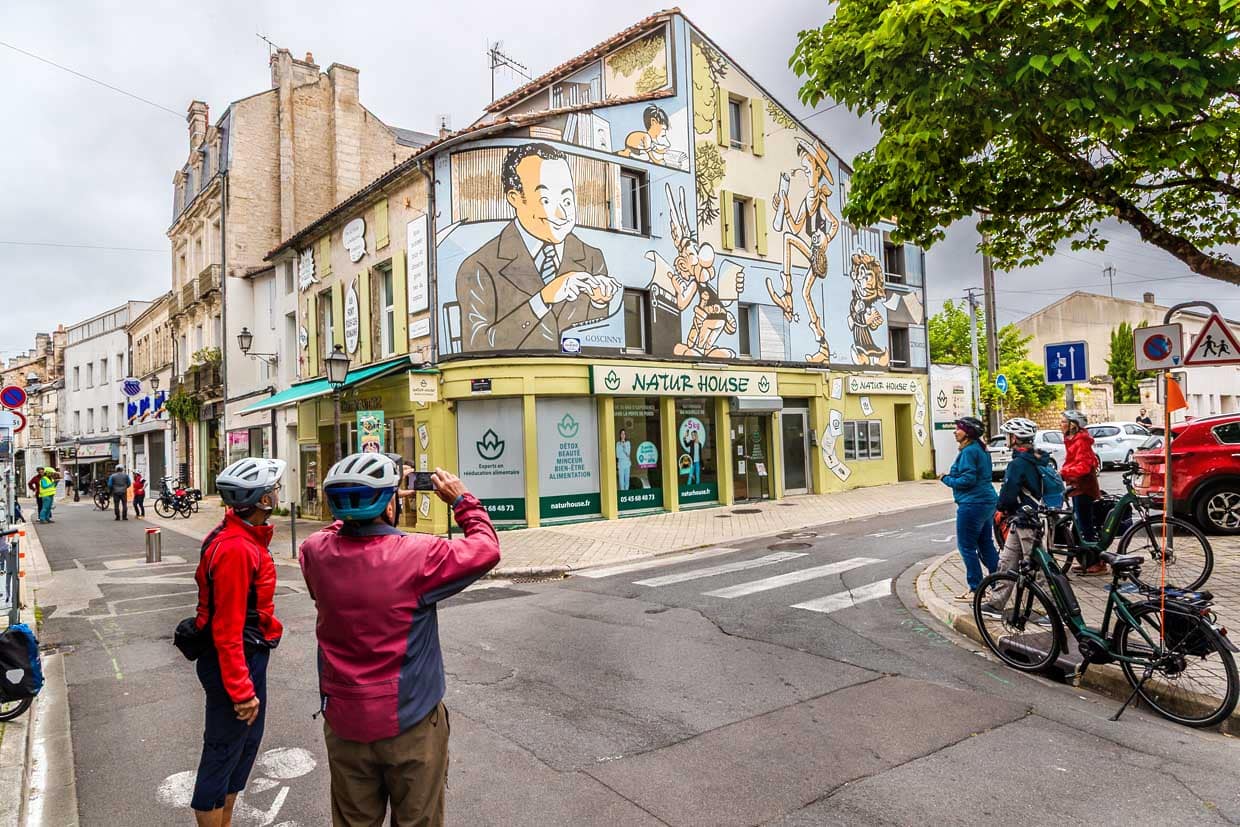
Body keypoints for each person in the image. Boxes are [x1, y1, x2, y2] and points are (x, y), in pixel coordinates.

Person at [299, 453, 500, 826]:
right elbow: (486, 549)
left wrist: (361, 506)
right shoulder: (418, 554)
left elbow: (330, 533)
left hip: (345, 724)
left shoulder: (314, 553)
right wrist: (462, 500)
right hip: (411, 721)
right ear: (390, 502)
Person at [189, 457, 286, 826]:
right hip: (235, 660)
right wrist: (241, 690)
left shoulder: (243, 538)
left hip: (246, 655)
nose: (278, 491)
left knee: (241, 750)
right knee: (221, 752)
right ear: (262, 500)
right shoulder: (236, 549)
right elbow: (226, 629)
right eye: (274, 488)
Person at [455, 142, 620, 352]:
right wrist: (543, 298)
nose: (562, 215)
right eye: (546, 200)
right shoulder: (478, 267)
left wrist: (599, 302)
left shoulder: (592, 257)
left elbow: (596, 345)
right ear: (515, 199)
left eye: (567, 200)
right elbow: (478, 347)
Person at [982, 418, 1056, 611]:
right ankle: (996, 603)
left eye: (1008, 435)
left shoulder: (1019, 464)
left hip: (1029, 521)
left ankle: (1049, 611)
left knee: (1038, 567)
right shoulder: (1036, 457)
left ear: (1015, 438)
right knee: (1007, 562)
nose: (1007, 438)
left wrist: (1001, 509)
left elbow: (1008, 494)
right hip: (1023, 520)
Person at [940, 416, 999, 601]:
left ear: (968, 432)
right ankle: (1000, 582)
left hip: (972, 504)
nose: (955, 431)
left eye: (959, 428)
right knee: (985, 544)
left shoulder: (969, 452)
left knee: (966, 547)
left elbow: (967, 480)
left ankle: (976, 588)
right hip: (987, 501)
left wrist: (946, 479)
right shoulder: (980, 450)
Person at [1061, 409, 1106, 575]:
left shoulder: (1081, 441)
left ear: (1074, 425)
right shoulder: (1072, 440)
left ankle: (1097, 563)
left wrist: (1064, 472)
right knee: (1079, 526)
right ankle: (1086, 561)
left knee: (1086, 527)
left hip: (1083, 488)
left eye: (1064, 422)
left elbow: (1084, 466)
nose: (1061, 425)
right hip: (1077, 487)